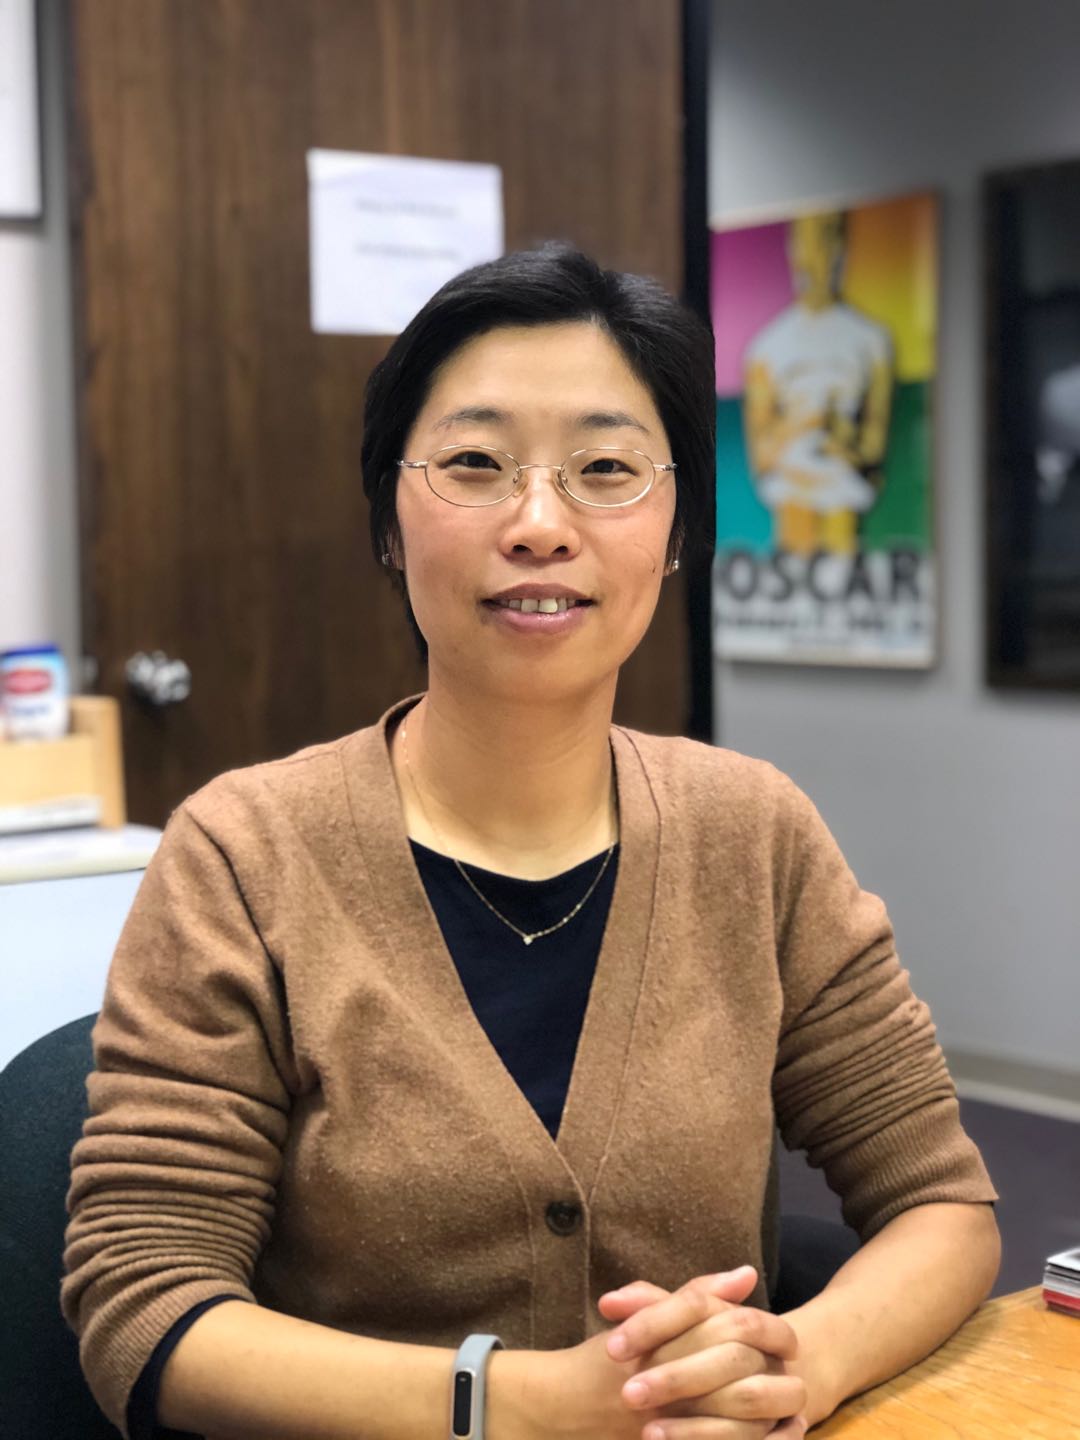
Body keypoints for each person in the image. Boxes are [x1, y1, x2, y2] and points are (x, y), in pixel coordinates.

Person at [63, 244, 999, 1440]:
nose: (540, 524)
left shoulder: (753, 832)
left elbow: (943, 1203)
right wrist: (518, 1406)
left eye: (606, 468)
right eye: (473, 465)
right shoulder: (243, 856)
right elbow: (144, 1309)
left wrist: (797, 1363)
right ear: (391, 527)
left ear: (673, 533)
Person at [743, 211, 894, 557]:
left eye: (827, 240)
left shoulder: (872, 341)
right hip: (790, 491)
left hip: (844, 488)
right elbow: (761, 455)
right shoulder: (766, 347)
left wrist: (839, 437)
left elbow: (873, 445)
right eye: (805, 243)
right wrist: (803, 423)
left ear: (843, 249)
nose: (815, 256)